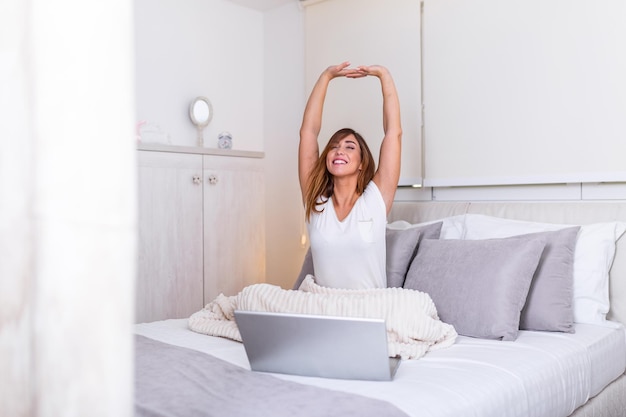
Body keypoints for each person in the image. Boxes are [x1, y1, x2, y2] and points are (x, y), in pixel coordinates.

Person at [298, 62, 402, 289]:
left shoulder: (375, 200)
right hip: (325, 308)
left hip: (368, 309)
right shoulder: (317, 203)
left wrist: (383, 75)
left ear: (362, 163)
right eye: (334, 146)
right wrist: (326, 76)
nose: (339, 151)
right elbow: (308, 132)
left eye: (349, 147)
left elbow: (393, 133)